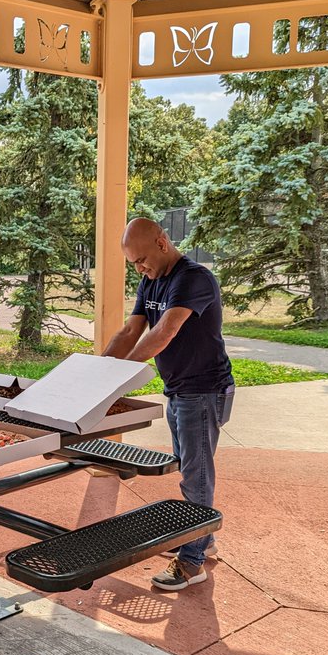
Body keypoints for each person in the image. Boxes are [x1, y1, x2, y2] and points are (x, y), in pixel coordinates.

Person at [102, 218, 234, 593]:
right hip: (179, 389)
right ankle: (202, 539)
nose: (139, 269)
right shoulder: (151, 280)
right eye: (133, 263)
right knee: (189, 468)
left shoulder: (193, 278)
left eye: (141, 260)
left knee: (196, 476)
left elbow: (165, 331)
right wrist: (100, 371)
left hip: (204, 390)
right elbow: (131, 331)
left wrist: (120, 376)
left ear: (162, 243)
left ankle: (192, 562)